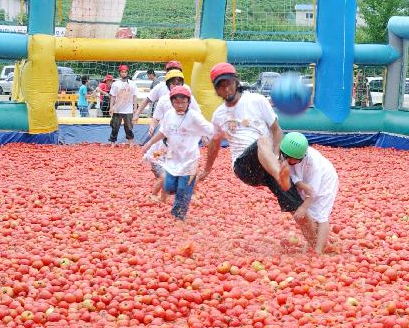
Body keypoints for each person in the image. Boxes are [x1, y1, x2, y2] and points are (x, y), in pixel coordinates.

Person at [200, 62, 304, 217]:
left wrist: (276, 156)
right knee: (262, 141)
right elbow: (214, 146)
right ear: (216, 90)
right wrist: (206, 171)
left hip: (269, 163)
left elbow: (277, 131)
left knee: (297, 206)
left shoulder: (257, 100)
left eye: (228, 83)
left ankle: (316, 240)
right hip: (244, 167)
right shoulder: (219, 115)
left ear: (236, 81)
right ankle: (278, 174)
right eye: (220, 86)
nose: (226, 89)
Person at [142, 86, 213, 221]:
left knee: (183, 190)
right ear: (172, 102)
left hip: (190, 160)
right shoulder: (169, 114)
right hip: (173, 159)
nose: (180, 105)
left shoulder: (194, 116)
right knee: (168, 186)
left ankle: (179, 216)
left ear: (188, 102)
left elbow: (210, 129)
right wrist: (149, 143)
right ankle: (177, 195)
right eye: (176, 102)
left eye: (183, 102)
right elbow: (163, 132)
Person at [280, 132, 339, 254]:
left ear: (302, 157)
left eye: (293, 160)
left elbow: (313, 189)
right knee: (311, 214)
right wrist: (300, 184)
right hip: (305, 180)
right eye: (287, 157)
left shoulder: (313, 163)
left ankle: (318, 250)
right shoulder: (284, 155)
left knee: (321, 214)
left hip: (325, 180)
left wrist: (304, 207)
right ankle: (312, 243)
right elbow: (290, 174)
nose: (289, 161)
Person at [109, 64, 138, 147]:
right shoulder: (115, 84)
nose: (124, 73)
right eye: (122, 72)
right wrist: (111, 107)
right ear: (120, 73)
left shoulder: (133, 84)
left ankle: (131, 143)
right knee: (115, 127)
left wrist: (135, 108)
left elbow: (135, 96)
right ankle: (113, 143)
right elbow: (113, 96)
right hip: (117, 109)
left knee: (129, 127)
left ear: (127, 73)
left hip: (128, 110)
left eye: (125, 72)